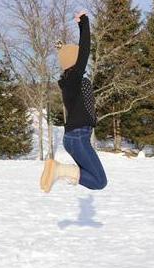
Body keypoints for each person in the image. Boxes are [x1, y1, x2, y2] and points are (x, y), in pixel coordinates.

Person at [40, 10, 107, 193]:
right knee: (99, 181)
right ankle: (59, 170)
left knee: (96, 180)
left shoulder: (70, 82)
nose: (83, 61)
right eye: (79, 58)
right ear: (74, 61)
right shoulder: (75, 78)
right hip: (77, 137)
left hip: (75, 137)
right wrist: (83, 23)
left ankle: (60, 171)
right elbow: (85, 48)